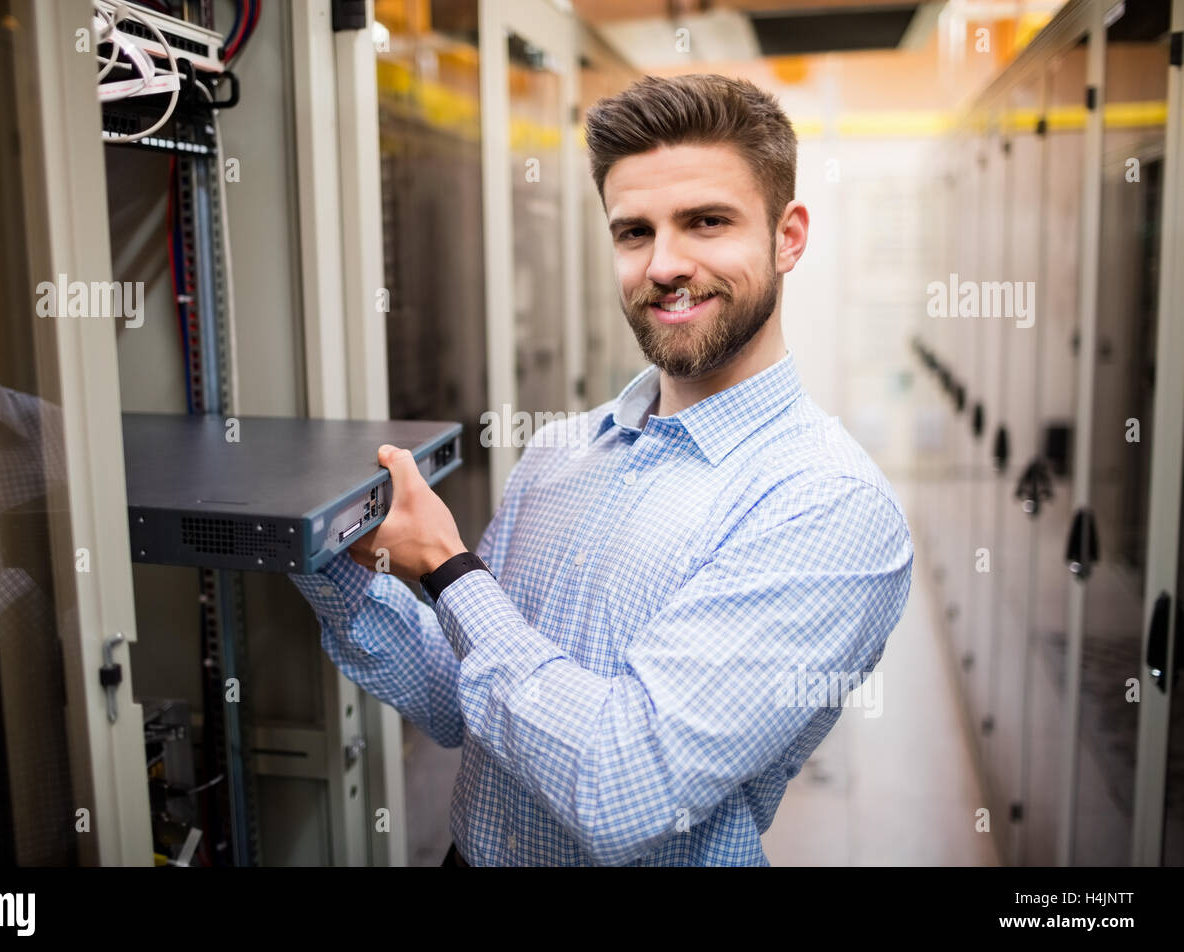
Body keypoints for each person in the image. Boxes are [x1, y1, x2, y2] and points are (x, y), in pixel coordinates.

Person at [290, 74, 914, 866]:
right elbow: (464, 696)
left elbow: (626, 783)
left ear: (788, 236)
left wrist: (449, 569)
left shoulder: (827, 508)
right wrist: (320, 539)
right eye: (634, 232)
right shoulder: (561, 453)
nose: (664, 265)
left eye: (706, 222)